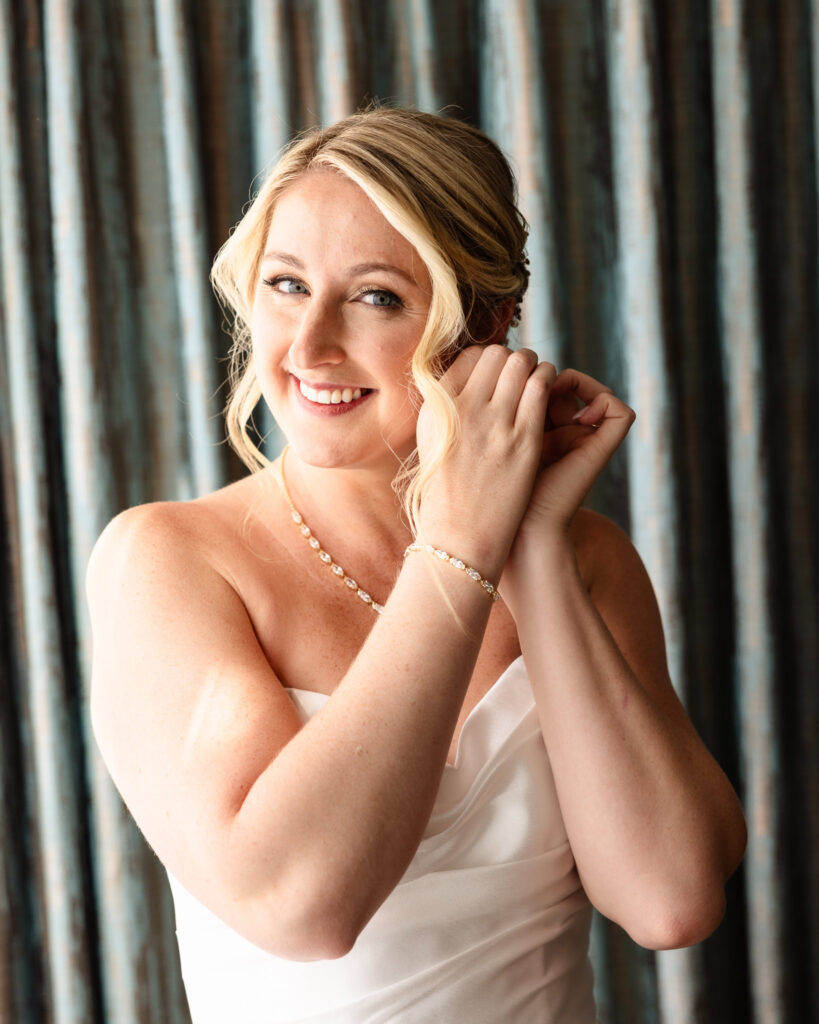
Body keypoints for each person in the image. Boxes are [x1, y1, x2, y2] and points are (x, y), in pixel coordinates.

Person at [87, 106, 746, 1024]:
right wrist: (461, 546)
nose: (309, 345)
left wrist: (533, 551)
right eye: (284, 285)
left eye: (375, 297)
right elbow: (301, 907)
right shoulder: (166, 561)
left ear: (486, 320)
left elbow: (669, 900)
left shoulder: (586, 560)